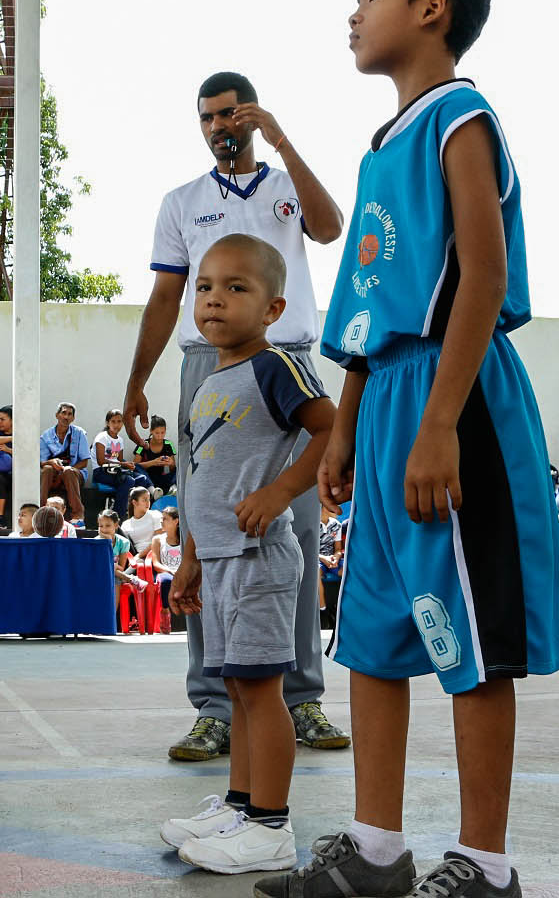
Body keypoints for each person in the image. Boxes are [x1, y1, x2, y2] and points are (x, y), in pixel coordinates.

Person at [263, 0, 559, 898]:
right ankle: (375, 849)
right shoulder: (377, 148)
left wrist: (440, 419)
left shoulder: (458, 116)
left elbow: (479, 273)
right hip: (389, 388)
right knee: (377, 629)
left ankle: (485, 865)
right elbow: (363, 311)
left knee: (468, 637)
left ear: (430, 6)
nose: (353, 12)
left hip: (454, 388)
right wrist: (346, 426)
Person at [125, 67, 349, 764]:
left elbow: (332, 225)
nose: (221, 126)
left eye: (232, 114)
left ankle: (302, 694)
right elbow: (167, 298)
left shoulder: (286, 187)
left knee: (297, 529)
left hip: (287, 360)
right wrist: (137, 378)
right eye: (209, 118)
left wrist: (281, 137)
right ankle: (214, 705)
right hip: (210, 367)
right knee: (209, 528)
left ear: (251, 117)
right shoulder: (182, 201)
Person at [157, 234, 336, 875]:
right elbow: (203, 477)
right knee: (237, 689)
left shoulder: (275, 368)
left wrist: (283, 489)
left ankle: (271, 827)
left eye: (237, 288)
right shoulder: (212, 380)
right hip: (221, 560)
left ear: (272, 309)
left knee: (263, 692)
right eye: (205, 286)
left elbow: (331, 427)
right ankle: (240, 805)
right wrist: (190, 559)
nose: (214, 299)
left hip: (260, 558)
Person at [38, 403, 91, 524]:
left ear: (73, 418)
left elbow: (84, 462)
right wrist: (51, 462)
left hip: (74, 473)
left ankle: (78, 516)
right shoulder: (46, 436)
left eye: (69, 414)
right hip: (53, 475)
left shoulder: (79, 434)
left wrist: (66, 470)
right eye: (63, 413)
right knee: (47, 469)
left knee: (68, 471)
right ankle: (41, 512)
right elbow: (42, 462)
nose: (66, 417)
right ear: (57, 415)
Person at [93, 408, 151, 507]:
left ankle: (132, 510)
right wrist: (123, 464)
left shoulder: (120, 440)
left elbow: (119, 460)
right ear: (108, 423)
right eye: (113, 422)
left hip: (115, 471)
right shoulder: (102, 437)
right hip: (101, 472)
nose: (116, 425)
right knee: (128, 481)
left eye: (119, 421)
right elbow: (101, 461)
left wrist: (128, 466)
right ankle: (119, 513)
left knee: (141, 479)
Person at [144, 505, 184, 630]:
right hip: (165, 572)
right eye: (161, 518)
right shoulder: (157, 540)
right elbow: (156, 563)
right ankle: (165, 611)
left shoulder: (184, 539)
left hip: (183, 572)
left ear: (176, 521)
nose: (161, 521)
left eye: (165, 519)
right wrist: (171, 571)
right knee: (166, 581)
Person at [135, 415, 177, 495]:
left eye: (162, 433)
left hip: (162, 477)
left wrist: (170, 463)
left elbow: (173, 468)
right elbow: (134, 465)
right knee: (136, 468)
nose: (160, 436)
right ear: (151, 431)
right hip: (147, 478)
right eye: (157, 433)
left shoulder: (168, 444)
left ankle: (173, 489)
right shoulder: (143, 444)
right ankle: (152, 490)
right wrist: (154, 462)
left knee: (178, 470)